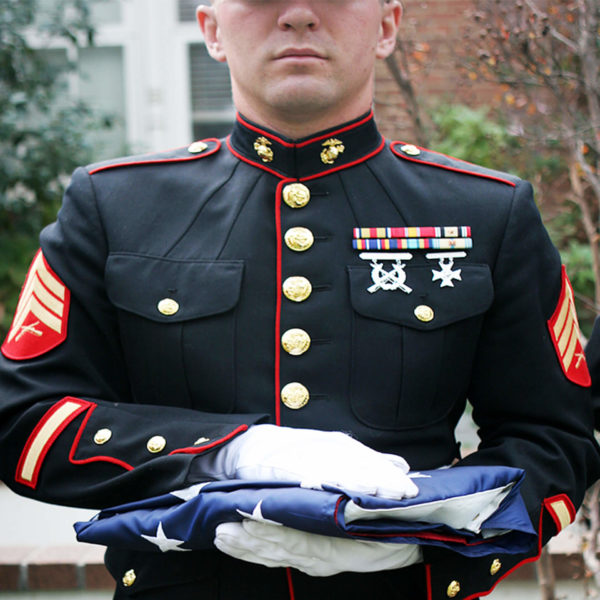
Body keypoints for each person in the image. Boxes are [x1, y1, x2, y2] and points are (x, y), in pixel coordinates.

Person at [1, 0, 599, 598]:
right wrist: (233, 454)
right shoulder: (115, 207)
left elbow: (555, 441)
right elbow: (23, 421)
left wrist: (425, 539)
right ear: (211, 29)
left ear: (387, 26)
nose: (298, 15)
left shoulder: (487, 213)